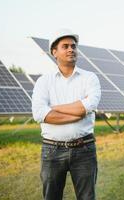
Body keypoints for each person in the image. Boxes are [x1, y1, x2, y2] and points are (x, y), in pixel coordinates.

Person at [32, 28, 101, 200]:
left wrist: (53, 107)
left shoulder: (90, 78)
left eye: (73, 46)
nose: (71, 49)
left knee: (87, 197)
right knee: (51, 197)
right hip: (52, 150)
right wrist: (76, 113)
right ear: (54, 52)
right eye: (65, 46)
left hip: (84, 148)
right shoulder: (44, 81)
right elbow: (40, 113)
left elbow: (89, 105)